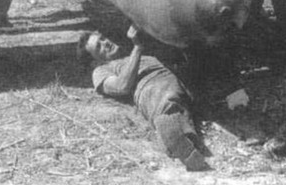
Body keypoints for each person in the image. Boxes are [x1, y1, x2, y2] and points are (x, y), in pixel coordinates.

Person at [79, 26, 214, 171]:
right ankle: (178, 140)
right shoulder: (100, 71)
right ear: (95, 62)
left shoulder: (129, 55)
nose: (105, 43)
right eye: (98, 46)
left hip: (175, 80)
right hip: (151, 85)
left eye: (103, 39)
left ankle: (183, 138)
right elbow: (121, 86)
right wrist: (137, 47)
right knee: (167, 104)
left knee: (188, 104)